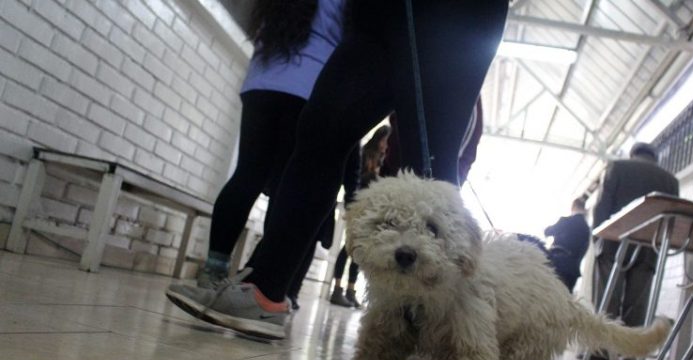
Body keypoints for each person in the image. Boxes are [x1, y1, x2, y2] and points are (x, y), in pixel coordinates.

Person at [170, 0, 509, 340]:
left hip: (454, 12)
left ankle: (429, 328)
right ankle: (265, 290)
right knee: (321, 130)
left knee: (428, 158)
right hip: (377, 15)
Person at [166, 0, 346, 334]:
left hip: (262, 82)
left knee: (246, 174)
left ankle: (213, 272)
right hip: (310, 87)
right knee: (285, 190)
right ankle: (260, 283)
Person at [589, 142, 679, 360]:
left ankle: (601, 352)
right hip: (649, 248)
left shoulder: (617, 167)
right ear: (655, 157)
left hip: (613, 243)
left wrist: (597, 239)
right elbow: (672, 220)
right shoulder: (670, 181)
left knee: (607, 296)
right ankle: (631, 357)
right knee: (638, 303)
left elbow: (601, 207)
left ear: (633, 154)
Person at [330, 125, 390, 308]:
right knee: (348, 248)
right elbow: (355, 179)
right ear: (380, 138)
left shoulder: (383, 160)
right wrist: (374, 177)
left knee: (361, 250)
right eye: (386, 141)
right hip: (359, 205)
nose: (386, 145)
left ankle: (350, 290)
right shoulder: (365, 154)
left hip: (373, 209)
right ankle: (337, 289)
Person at [544, 197, 591, 292]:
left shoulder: (565, 221)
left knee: (547, 294)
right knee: (564, 298)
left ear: (573, 207)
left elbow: (547, 232)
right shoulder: (587, 229)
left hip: (557, 262)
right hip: (573, 270)